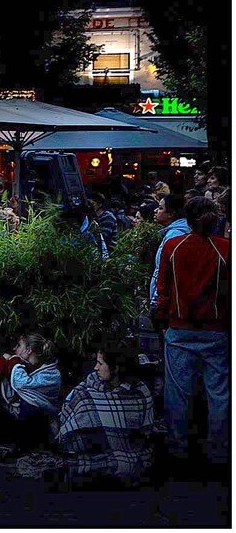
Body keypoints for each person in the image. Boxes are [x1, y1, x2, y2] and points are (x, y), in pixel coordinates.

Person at [152, 196, 230, 470]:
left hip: (179, 328)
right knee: (219, 394)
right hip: (216, 330)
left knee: (178, 392)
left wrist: (161, 317)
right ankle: (219, 452)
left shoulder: (174, 246)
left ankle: (178, 449)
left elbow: (162, 290)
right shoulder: (226, 249)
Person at [56, 341, 155, 485]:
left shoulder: (140, 392)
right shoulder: (90, 384)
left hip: (125, 449)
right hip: (90, 444)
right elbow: (68, 411)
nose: (96, 368)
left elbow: (144, 431)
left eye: (100, 364)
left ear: (115, 368)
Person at [0, 333, 62, 453]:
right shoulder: (21, 366)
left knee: (30, 406)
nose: (14, 349)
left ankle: (20, 447)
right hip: (13, 417)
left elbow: (22, 384)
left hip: (32, 423)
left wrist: (14, 362)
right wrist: (4, 362)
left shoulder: (51, 374)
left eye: (18, 345)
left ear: (28, 350)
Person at [149, 193, 189, 307]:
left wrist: (156, 302)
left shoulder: (175, 234)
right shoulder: (175, 231)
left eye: (161, 208)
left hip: (167, 302)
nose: (156, 210)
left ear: (171, 214)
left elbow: (165, 272)